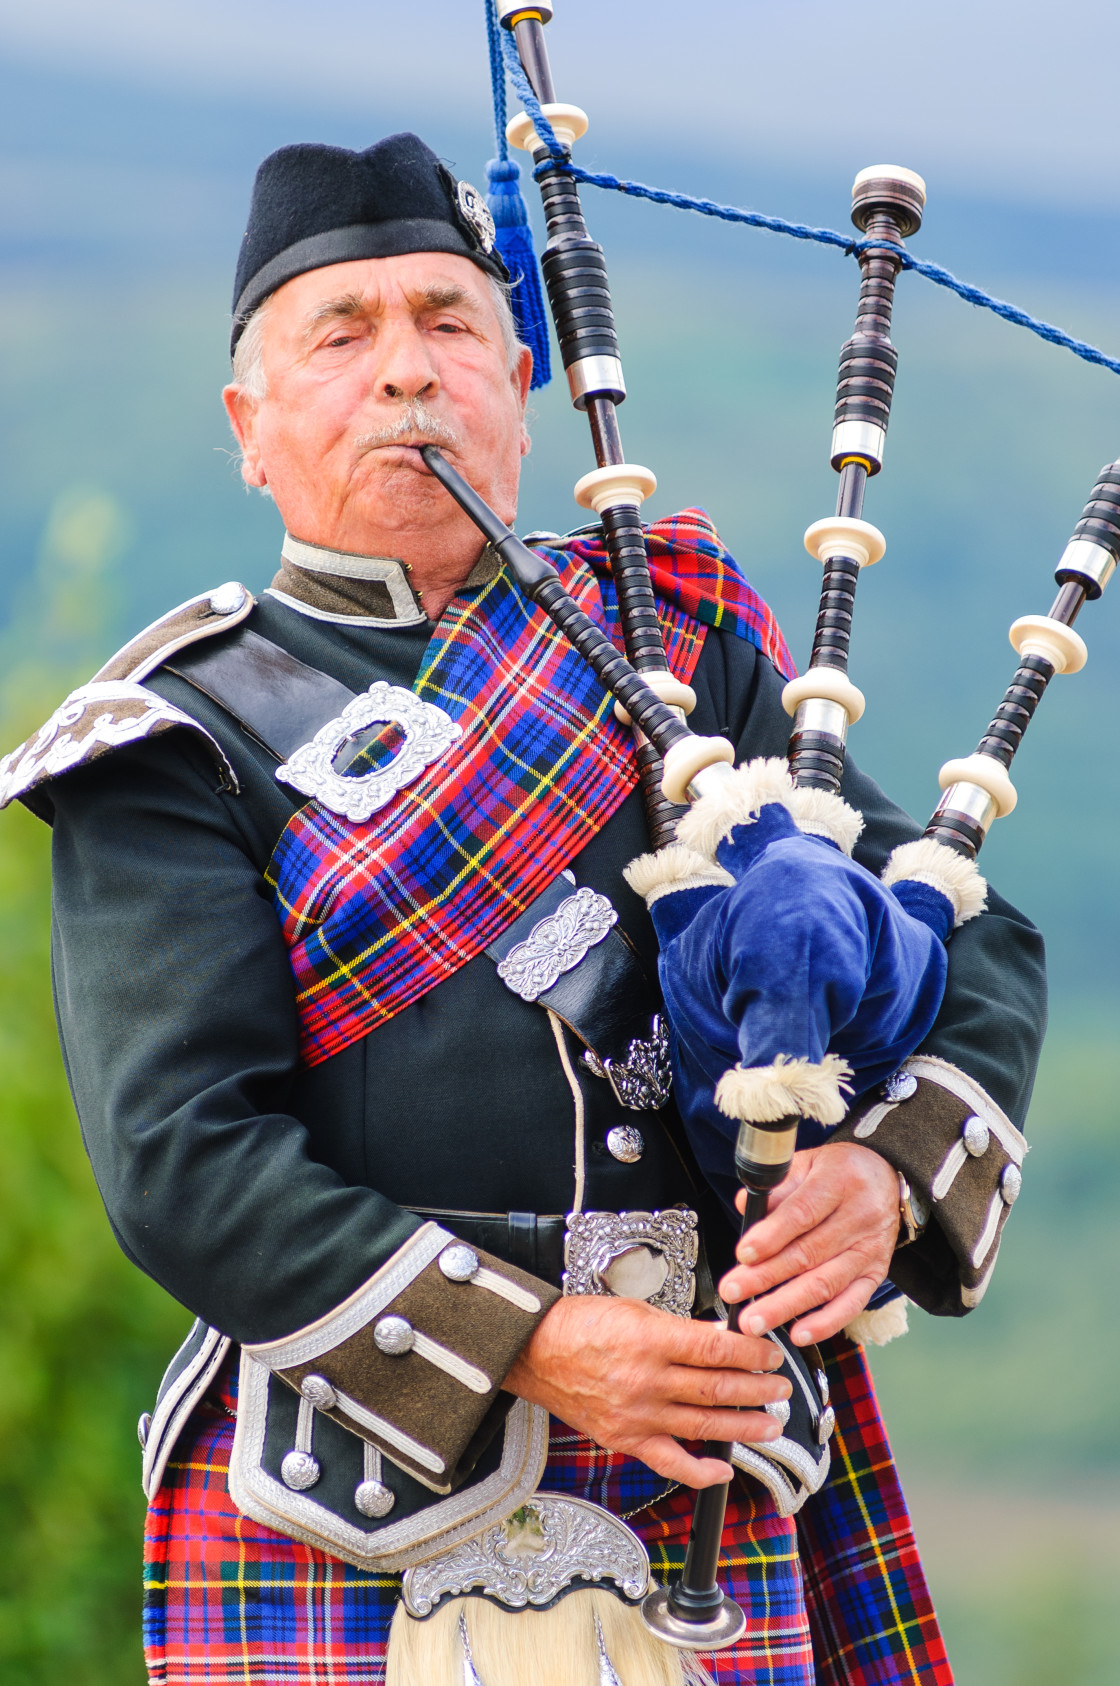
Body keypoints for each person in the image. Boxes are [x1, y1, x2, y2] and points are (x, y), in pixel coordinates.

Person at [0, 133, 1044, 1686]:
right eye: (342, 336)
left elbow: (959, 931)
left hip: (714, 1465)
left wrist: (887, 1177)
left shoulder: (677, 645)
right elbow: (186, 1162)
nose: (406, 375)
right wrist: (540, 1346)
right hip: (346, 1509)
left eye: (446, 324)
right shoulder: (173, 737)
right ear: (250, 424)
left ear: (517, 381)